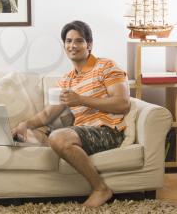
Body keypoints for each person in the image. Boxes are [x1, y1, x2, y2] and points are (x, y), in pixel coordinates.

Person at [11, 20, 130, 207]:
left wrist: (81, 99)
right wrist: (25, 124)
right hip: (83, 131)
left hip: (107, 130)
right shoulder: (67, 79)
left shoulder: (107, 66)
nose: (72, 46)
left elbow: (122, 104)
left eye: (79, 41)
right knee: (31, 135)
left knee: (58, 137)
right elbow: (48, 114)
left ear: (89, 44)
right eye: (68, 41)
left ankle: (101, 189)